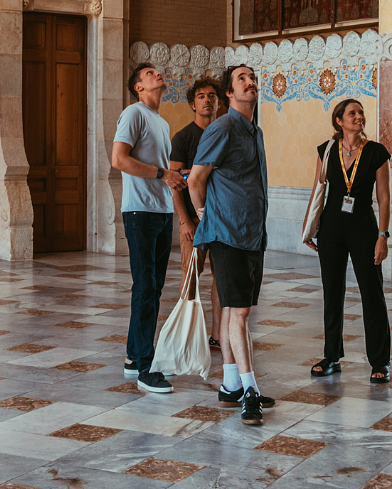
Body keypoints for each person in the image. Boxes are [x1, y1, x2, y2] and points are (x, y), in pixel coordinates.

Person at [188, 64, 276, 425]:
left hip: (251, 233)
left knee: (231, 310)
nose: (251, 82)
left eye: (253, 78)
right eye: (242, 79)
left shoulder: (253, 130)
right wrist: (204, 212)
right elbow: (196, 179)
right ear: (229, 92)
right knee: (239, 313)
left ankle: (229, 386)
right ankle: (250, 390)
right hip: (227, 234)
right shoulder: (223, 126)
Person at [303, 98, 392, 383]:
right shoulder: (327, 150)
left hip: (364, 228)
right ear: (339, 121)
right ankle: (331, 356)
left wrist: (383, 235)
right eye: (352, 113)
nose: (359, 116)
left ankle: (380, 361)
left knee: (372, 293)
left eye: (361, 112)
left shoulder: (376, 152)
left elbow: (384, 197)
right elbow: (317, 189)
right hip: (331, 227)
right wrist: (309, 229)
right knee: (332, 292)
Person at [111, 61, 187, 394]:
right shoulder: (134, 113)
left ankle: (132, 357)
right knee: (145, 287)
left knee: (153, 289)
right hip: (140, 212)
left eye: (158, 71)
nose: (158, 74)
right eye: (149, 74)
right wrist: (161, 174)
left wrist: (179, 180)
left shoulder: (161, 121)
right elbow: (119, 160)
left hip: (160, 211)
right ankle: (145, 366)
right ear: (139, 86)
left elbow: (163, 170)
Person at [170, 76, 222, 350]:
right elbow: (175, 184)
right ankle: (187, 335)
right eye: (201, 96)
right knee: (191, 275)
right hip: (194, 221)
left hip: (221, 221)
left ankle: (217, 335)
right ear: (193, 103)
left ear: (218, 102)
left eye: (212, 96)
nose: (207, 100)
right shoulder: (183, 137)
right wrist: (184, 220)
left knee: (221, 278)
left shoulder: (225, 133)